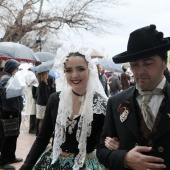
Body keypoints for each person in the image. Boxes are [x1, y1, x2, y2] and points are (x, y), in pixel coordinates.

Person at [19, 45, 108, 170]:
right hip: (55, 162)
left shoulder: (101, 104)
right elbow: (42, 139)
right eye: (69, 70)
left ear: (90, 70)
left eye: (80, 69)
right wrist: (26, 166)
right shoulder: (55, 99)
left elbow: (104, 143)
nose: (74, 75)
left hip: (87, 164)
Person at [97, 24, 170, 170]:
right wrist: (124, 158)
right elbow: (101, 151)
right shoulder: (115, 102)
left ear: (164, 63)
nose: (140, 70)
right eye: (134, 65)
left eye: (148, 63)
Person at [0, 59, 24, 170]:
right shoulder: (5, 79)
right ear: (11, 68)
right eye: (16, 68)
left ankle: (11, 157)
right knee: (9, 136)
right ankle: (3, 161)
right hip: (9, 111)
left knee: (14, 134)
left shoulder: (10, 78)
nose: (17, 70)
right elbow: (7, 96)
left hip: (14, 110)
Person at [35, 66, 51, 135]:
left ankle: (41, 134)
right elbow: (45, 97)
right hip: (43, 105)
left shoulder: (41, 84)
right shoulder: (43, 85)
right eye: (46, 73)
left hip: (40, 104)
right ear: (43, 75)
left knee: (41, 120)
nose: (48, 75)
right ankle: (41, 134)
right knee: (42, 120)